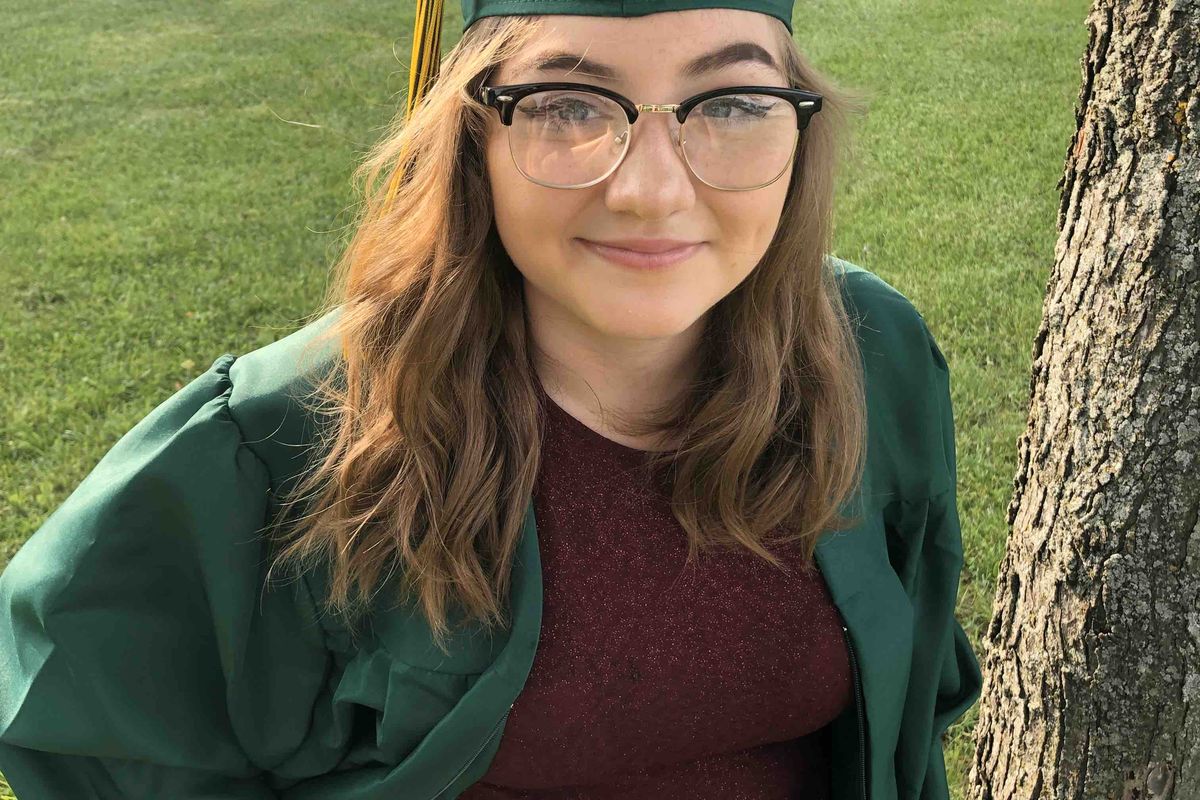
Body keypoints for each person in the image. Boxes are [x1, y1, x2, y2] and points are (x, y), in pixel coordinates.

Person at [0, 1, 983, 798]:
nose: (650, 190)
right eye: (567, 105)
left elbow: (906, 704)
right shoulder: (292, 435)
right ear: (473, 133)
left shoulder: (868, 355)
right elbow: (82, 704)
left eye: (729, 103)